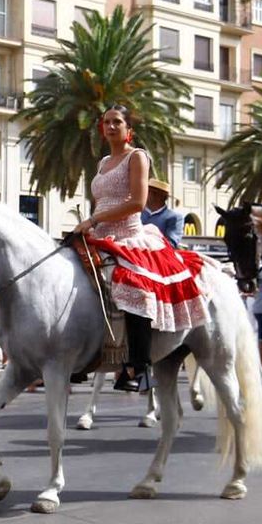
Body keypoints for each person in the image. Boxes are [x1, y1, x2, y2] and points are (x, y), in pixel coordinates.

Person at [78, 105, 207, 393]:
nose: (111, 127)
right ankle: (81, 354)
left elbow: (137, 202)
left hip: (129, 236)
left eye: (117, 122)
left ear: (129, 129)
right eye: (107, 122)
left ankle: (138, 366)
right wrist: (91, 223)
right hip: (100, 234)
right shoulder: (102, 163)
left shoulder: (137, 157)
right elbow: (102, 201)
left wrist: (95, 219)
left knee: (133, 288)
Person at [141, 178, 185, 246]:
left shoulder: (174, 217)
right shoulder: (137, 213)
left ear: (157, 196)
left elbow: (171, 243)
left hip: (157, 254)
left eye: (147, 191)